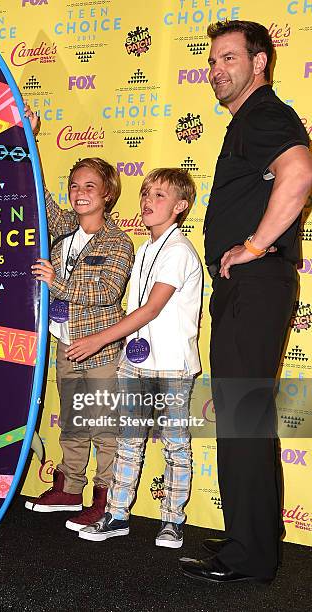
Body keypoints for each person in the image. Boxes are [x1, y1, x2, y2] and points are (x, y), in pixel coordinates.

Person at [179, 20, 312, 583]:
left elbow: (300, 173)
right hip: (247, 289)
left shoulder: (264, 116)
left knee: (242, 414)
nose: (217, 70)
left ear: (260, 63)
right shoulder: (251, 123)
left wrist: (255, 246)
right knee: (241, 414)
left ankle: (250, 555)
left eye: (229, 58)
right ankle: (250, 543)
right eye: (212, 61)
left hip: (255, 285)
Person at [65, 168, 202, 545]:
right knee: (128, 442)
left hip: (172, 364)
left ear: (180, 206)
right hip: (136, 362)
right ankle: (117, 515)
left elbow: (152, 309)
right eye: (146, 194)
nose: (147, 201)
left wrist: (97, 340)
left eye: (159, 195)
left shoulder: (178, 251)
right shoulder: (144, 250)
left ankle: (172, 520)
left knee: (175, 443)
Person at [24, 109, 134, 530]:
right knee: (73, 422)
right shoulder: (65, 228)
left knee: (104, 426)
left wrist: (60, 284)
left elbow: (107, 292)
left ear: (108, 194)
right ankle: (70, 489)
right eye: (75, 185)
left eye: (91, 186)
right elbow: (40, 196)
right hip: (65, 342)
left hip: (101, 346)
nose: (80, 191)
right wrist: (29, 138)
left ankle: (105, 497)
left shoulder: (118, 241)